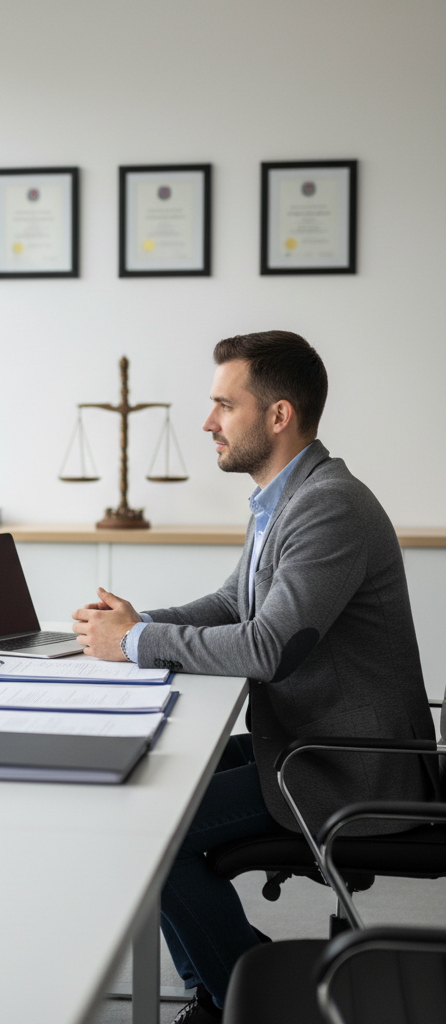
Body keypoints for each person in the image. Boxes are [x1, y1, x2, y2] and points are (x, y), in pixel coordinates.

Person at [71, 331, 438, 1022]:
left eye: (222, 405)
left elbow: (267, 646)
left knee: (152, 831)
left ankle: (242, 990)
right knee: (156, 778)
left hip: (347, 769)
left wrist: (138, 642)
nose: (207, 422)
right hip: (302, 744)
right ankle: (224, 987)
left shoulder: (330, 506)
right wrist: (132, 625)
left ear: (277, 416)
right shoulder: (284, 498)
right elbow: (232, 606)